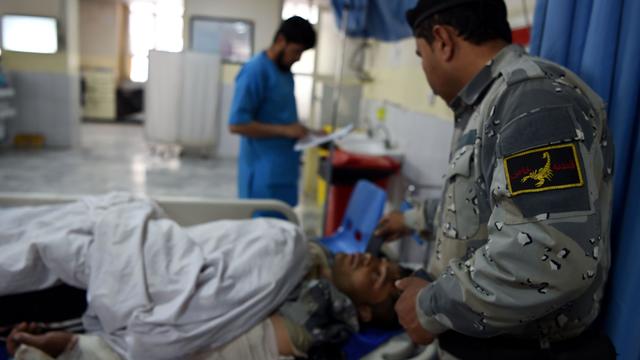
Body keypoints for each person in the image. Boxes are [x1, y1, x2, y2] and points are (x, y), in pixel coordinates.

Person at [374, 0, 616, 358]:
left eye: (420, 55)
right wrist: (412, 218)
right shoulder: (489, 103)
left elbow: (545, 255)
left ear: (443, 40)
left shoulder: (532, 101)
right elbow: (484, 206)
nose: (423, 67)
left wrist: (430, 306)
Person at [1, 195, 409, 359]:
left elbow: (206, 336)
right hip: (153, 250)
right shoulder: (302, 249)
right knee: (55, 237)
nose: (368, 261)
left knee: (43, 254)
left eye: (376, 277)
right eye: (380, 261)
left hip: (125, 283)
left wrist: (75, 348)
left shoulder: (308, 320)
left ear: (365, 314)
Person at [228, 16, 317, 209]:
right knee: (263, 231)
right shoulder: (255, 71)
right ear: (280, 41)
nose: (298, 58)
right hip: (262, 174)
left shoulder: (285, 72)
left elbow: (282, 118)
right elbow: (236, 124)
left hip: (284, 170)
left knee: (282, 226)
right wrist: (285, 131)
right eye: (296, 51)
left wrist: (309, 132)